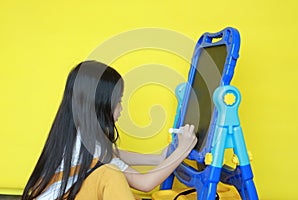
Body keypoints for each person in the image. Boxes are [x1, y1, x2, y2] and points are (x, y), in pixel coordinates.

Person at [22, 60, 197, 200]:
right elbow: (145, 183)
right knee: (112, 176)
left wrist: (157, 158)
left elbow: (114, 153)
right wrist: (182, 150)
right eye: (118, 101)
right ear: (100, 104)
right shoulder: (96, 151)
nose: (121, 108)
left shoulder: (78, 135)